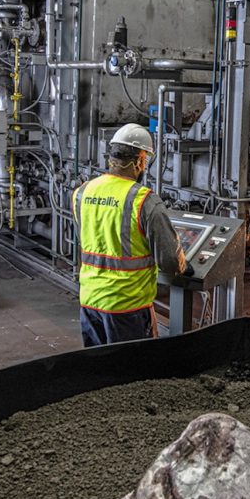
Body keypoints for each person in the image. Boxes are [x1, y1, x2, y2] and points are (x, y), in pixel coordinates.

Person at [73, 123, 187, 346]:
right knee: (132, 373)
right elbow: (171, 262)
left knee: (98, 368)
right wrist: (183, 264)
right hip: (128, 306)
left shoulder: (82, 192)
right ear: (139, 161)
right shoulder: (143, 200)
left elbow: (88, 240)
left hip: (90, 301)